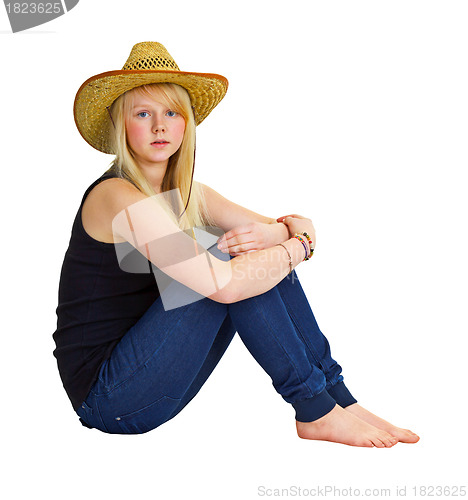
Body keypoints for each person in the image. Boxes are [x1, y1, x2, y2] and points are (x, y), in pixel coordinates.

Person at [53, 41, 419, 447]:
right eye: (143, 113)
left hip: (155, 380)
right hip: (109, 396)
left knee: (249, 255)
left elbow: (292, 224)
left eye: (171, 112)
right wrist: (294, 246)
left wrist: (280, 235)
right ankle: (313, 407)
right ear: (122, 125)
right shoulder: (116, 196)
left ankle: (337, 399)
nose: (160, 126)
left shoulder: (188, 192)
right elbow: (226, 283)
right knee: (231, 261)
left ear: (186, 124)